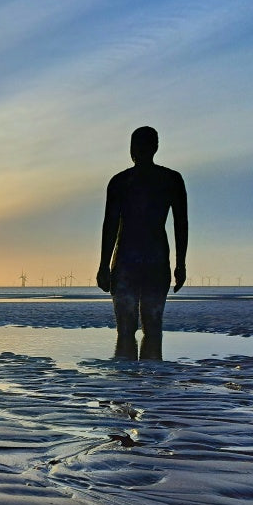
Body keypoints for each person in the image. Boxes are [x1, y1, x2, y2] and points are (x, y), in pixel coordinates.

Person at [97, 126, 188, 360]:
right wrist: (103, 266)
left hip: (134, 261)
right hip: (146, 260)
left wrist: (181, 264)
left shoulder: (125, 182)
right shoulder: (167, 180)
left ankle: (139, 388)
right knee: (144, 326)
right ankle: (143, 388)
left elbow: (181, 224)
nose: (136, 151)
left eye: (139, 146)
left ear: (153, 148)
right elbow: (109, 225)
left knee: (139, 327)